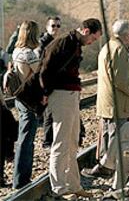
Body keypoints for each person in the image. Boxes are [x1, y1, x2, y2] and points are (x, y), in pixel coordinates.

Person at [40, 18, 102, 199]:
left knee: (73, 141)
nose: (93, 42)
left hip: (70, 94)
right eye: (93, 38)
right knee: (61, 142)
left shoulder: (74, 44)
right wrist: (45, 91)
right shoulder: (64, 42)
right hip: (61, 95)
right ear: (85, 31)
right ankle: (59, 188)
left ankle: (73, 184)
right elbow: (46, 66)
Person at [96, 20, 129, 159]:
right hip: (118, 104)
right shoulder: (120, 49)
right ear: (126, 34)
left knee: (107, 135)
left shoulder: (107, 47)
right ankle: (110, 167)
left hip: (108, 104)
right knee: (115, 137)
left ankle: (104, 165)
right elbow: (121, 80)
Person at [11, 20, 41, 189]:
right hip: (29, 99)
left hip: (20, 98)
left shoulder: (16, 51)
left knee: (25, 138)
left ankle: (21, 178)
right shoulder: (29, 54)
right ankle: (21, 179)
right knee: (26, 139)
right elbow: (39, 74)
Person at [39, 16, 62, 149]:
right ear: (47, 27)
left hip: (53, 80)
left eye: (58, 26)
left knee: (51, 111)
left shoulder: (56, 41)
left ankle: (50, 139)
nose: (56, 28)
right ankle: (47, 141)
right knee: (48, 112)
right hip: (46, 81)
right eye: (53, 26)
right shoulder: (43, 42)